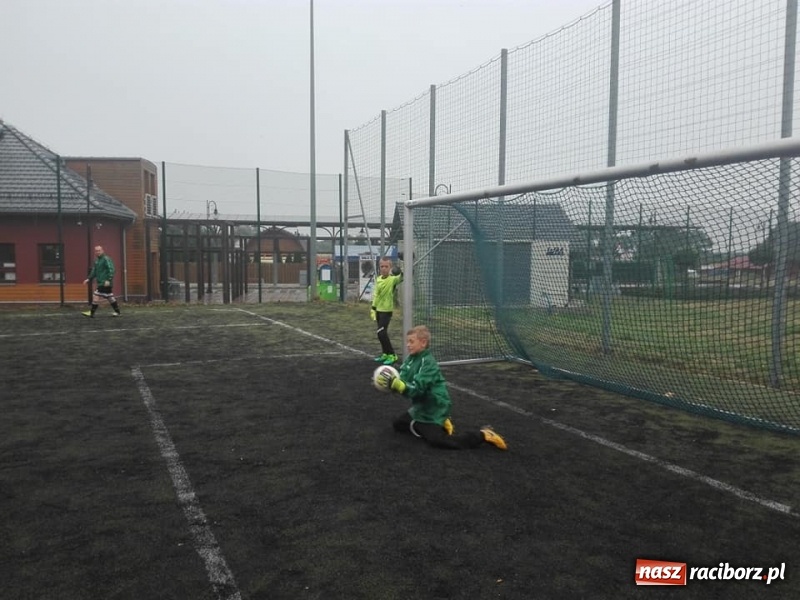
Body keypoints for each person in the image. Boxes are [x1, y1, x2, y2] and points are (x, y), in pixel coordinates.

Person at [376, 325, 507, 451]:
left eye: (411, 341)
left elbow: (417, 390)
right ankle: (439, 424)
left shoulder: (428, 363)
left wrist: (399, 385)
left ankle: (483, 435)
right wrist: (390, 386)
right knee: (398, 424)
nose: (408, 345)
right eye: (407, 342)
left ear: (423, 343)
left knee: (437, 441)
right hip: (421, 406)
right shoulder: (410, 360)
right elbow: (403, 382)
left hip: (436, 406)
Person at [370, 256, 403, 365]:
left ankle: (392, 355)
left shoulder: (392, 279)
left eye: (386, 266)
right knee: (380, 334)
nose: (384, 268)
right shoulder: (378, 279)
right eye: (382, 266)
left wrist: (403, 265)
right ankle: (385, 353)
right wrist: (373, 308)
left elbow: (402, 277)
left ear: (390, 267)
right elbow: (376, 295)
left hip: (386, 311)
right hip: (378, 310)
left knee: (381, 332)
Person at [82, 245, 121, 318]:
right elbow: (94, 271)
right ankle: (117, 312)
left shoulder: (106, 259)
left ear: (102, 251)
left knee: (95, 295)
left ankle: (92, 313)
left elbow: (111, 269)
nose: (98, 252)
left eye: (99, 250)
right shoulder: (96, 261)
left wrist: (108, 280)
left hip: (105, 282)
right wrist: (88, 279)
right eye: (96, 251)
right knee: (110, 297)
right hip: (101, 282)